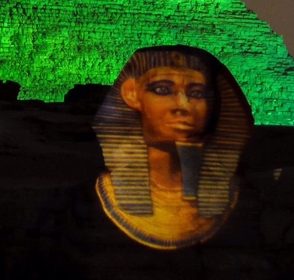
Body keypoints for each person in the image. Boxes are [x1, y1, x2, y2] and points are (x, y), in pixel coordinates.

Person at [92, 47, 252, 250]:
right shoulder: (77, 209)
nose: (184, 105)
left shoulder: (247, 205)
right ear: (131, 94)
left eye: (197, 93)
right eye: (162, 89)